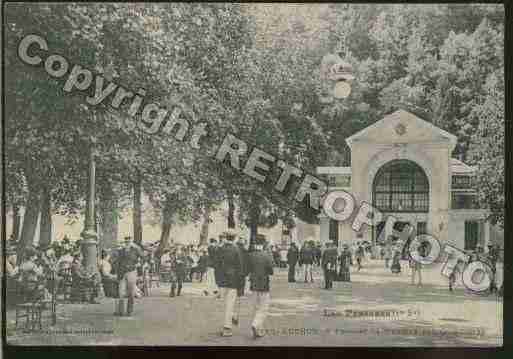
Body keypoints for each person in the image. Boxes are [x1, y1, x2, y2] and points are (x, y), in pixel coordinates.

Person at [218, 232, 244, 337]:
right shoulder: (237, 249)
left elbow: (217, 264)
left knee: (225, 303)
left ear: (226, 237)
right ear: (234, 238)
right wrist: (241, 283)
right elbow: (240, 267)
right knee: (230, 304)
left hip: (222, 280)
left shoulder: (220, 248)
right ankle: (227, 328)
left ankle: (230, 319)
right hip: (233, 280)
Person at [247, 236, 274, 339]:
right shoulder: (266, 255)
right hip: (264, 283)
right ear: (263, 244)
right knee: (264, 307)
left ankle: (258, 328)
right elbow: (271, 270)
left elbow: (247, 269)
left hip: (253, 283)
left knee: (256, 306)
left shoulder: (250, 255)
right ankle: (256, 324)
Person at [114, 236, 143, 316]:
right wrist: (117, 272)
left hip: (131, 272)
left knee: (131, 292)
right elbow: (117, 262)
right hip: (122, 273)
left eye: (128, 240)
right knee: (121, 293)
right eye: (126, 240)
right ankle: (120, 311)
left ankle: (129, 311)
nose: (127, 242)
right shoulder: (121, 250)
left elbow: (143, 257)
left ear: (131, 241)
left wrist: (139, 266)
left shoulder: (136, 249)